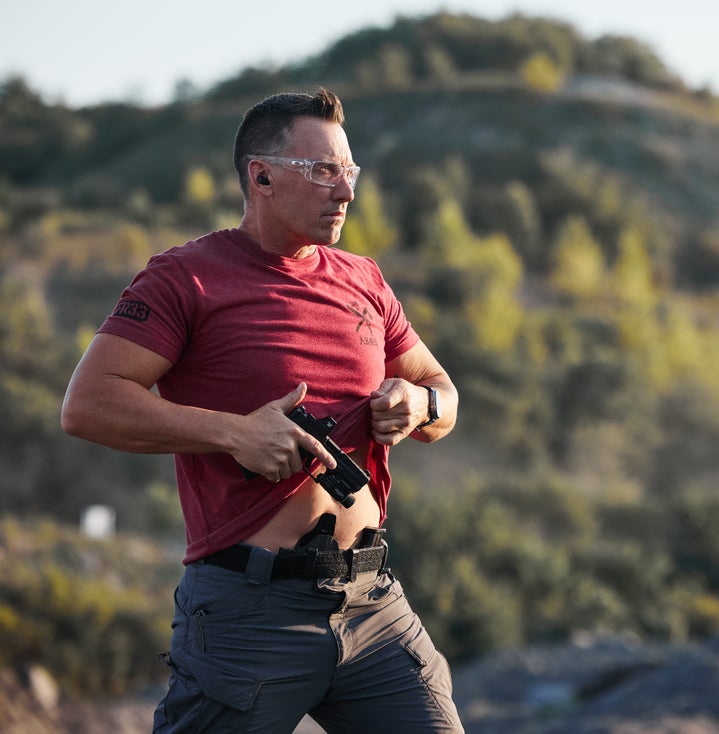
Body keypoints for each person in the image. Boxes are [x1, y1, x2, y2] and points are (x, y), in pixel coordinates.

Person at [61, 87, 463, 733]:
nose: (346, 191)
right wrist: (232, 434)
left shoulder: (364, 279)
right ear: (263, 176)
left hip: (373, 606)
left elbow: (444, 393)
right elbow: (87, 405)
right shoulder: (184, 278)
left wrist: (419, 402)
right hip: (250, 614)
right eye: (323, 170)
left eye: (348, 171)